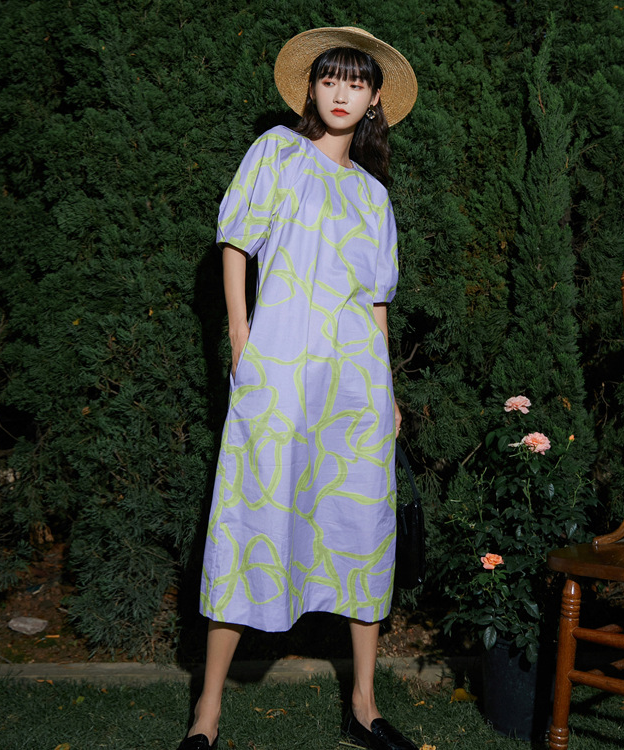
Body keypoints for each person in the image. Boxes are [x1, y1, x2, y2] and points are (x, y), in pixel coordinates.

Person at [178, 26, 419, 750]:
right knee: (249, 517)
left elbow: (377, 302)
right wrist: (241, 339)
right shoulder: (276, 152)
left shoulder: (373, 195)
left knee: (361, 527)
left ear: (374, 101)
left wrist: (387, 390)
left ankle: (365, 708)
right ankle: (206, 715)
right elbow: (236, 241)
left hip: (355, 385)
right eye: (330, 79)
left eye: (357, 82)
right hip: (279, 370)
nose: (342, 93)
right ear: (311, 89)